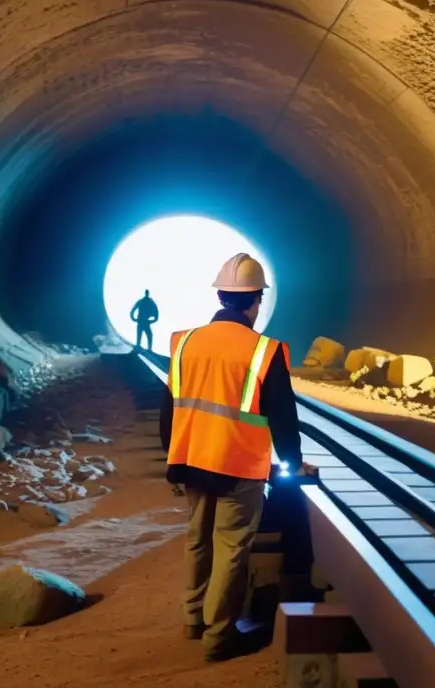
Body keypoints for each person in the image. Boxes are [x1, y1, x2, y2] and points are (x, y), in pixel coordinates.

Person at [159, 252, 303, 662]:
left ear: (221, 298)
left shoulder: (183, 341)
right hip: (238, 466)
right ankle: (219, 636)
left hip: (189, 460)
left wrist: (172, 460)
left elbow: (169, 407)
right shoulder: (265, 350)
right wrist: (292, 463)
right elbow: (283, 417)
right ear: (255, 301)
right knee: (230, 547)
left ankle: (192, 620)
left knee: (197, 539)